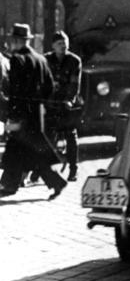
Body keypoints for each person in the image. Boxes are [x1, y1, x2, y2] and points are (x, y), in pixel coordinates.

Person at [0, 23, 66, 199]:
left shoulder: (17, 59)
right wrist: (39, 102)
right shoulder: (40, 59)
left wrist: (13, 114)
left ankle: (11, 184)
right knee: (23, 149)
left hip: (21, 112)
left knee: (24, 149)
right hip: (36, 113)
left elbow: (15, 91)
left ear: (16, 40)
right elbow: (50, 87)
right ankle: (9, 184)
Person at [44, 30, 83, 182]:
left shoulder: (74, 61)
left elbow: (75, 84)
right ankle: (42, 168)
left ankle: (73, 169)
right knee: (46, 136)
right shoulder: (46, 59)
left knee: (70, 135)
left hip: (68, 104)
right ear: (53, 46)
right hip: (51, 103)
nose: (63, 46)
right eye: (59, 43)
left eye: (65, 43)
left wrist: (69, 99)